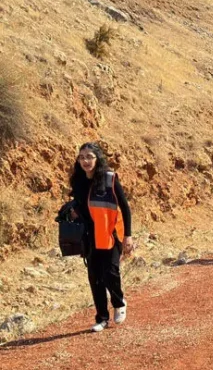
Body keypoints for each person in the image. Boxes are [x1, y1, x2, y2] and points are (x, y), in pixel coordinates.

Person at [69, 142, 133, 332]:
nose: (85, 161)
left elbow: (125, 207)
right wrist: (73, 212)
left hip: (110, 233)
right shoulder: (77, 182)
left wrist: (128, 236)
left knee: (110, 271)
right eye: (82, 157)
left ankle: (119, 302)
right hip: (89, 236)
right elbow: (82, 207)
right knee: (95, 277)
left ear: (98, 159)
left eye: (89, 157)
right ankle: (102, 318)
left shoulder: (110, 179)